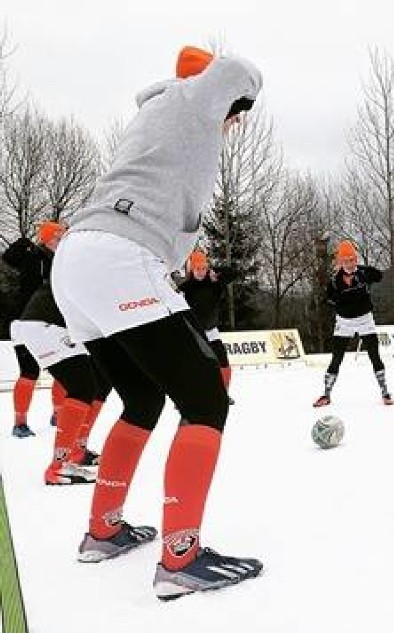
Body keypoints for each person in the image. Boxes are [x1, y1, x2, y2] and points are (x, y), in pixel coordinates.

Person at [51, 45, 263, 600]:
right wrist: (234, 91)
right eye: (236, 114)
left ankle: (103, 530)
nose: (234, 122)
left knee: (142, 400)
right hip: (121, 254)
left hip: (78, 262)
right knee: (205, 399)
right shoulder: (190, 100)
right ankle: (180, 558)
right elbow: (238, 69)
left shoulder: (155, 115)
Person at [10, 225, 111, 484]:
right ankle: (59, 465)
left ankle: (74, 452)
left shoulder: (74, 260)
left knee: (97, 383)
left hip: (49, 325)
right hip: (41, 326)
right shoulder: (69, 260)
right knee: (82, 386)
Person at [2, 221, 66, 437]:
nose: (62, 242)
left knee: (65, 370)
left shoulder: (62, 261)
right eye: (58, 238)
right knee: (29, 372)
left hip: (53, 323)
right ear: (48, 239)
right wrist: (22, 243)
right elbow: (10, 258)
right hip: (25, 322)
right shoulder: (33, 257)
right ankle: (19, 422)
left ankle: (58, 414)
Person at [313, 240, 392, 407]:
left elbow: (379, 276)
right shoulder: (334, 282)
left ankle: (385, 392)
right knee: (337, 358)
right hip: (344, 321)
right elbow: (328, 300)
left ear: (356, 260)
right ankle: (326, 394)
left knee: (374, 355)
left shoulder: (363, 273)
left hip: (365, 319)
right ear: (340, 262)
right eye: (345, 261)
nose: (349, 264)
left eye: (352, 260)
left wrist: (367, 271)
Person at [177, 250, 236, 403]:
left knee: (223, 362)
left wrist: (218, 274)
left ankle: (222, 395)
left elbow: (233, 273)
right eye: (198, 269)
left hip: (211, 330)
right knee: (193, 366)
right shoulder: (187, 287)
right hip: (194, 332)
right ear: (192, 269)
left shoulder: (214, 282)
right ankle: (188, 396)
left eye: (204, 268)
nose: (201, 272)